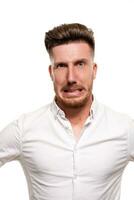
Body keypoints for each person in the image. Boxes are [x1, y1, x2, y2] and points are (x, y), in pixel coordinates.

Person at [0, 23, 134, 200]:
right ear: (51, 73)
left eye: (80, 64)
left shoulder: (124, 129)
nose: (71, 78)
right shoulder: (24, 129)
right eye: (61, 66)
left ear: (93, 70)